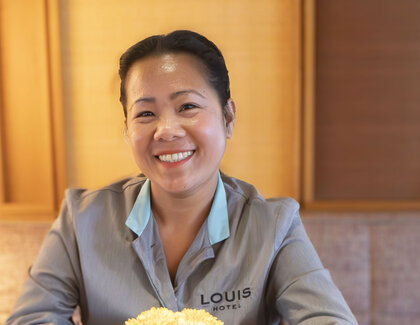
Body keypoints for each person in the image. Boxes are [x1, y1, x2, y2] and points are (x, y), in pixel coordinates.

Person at [7, 30, 358, 325]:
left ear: (228, 116)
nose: (167, 130)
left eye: (187, 106)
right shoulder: (81, 221)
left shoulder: (273, 226)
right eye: (145, 113)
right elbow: (32, 318)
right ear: (127, 129)